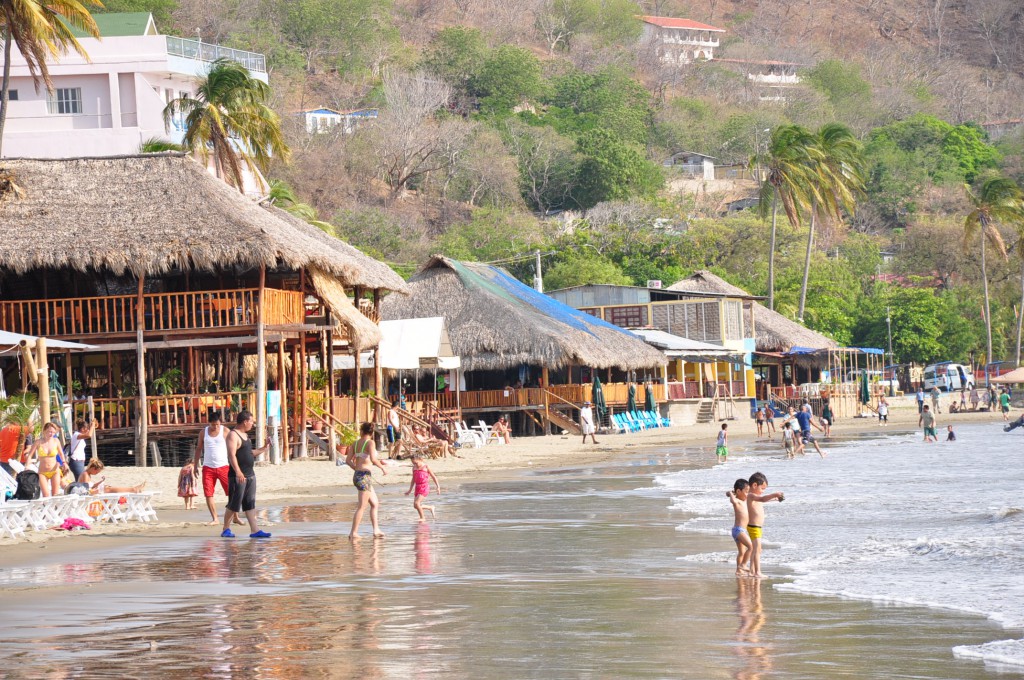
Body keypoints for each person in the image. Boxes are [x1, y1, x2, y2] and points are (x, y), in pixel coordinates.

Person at [220, 411, 271, 539]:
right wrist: (238, 471)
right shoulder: (233, 435)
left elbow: (250, 453)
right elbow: (231, 455)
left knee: (250, 503)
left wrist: (264, 448)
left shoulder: (245, 435)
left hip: (250, 475)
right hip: (238, 475)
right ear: (245, 422)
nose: (252, 424)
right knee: (234, 504)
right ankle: (225, 528)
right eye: (251, 422)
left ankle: (255, 530)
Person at [193, 412, 237, 526]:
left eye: (217, 424)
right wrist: (195, 465)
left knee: (231, 492)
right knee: (208, 494)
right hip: (208, 467)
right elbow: (198, 449)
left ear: (220, 422)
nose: (215, 427)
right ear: (209, 423)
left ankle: (236, 516)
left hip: (224, 466)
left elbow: (234, 446)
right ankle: (215, 518)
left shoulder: (225, 431)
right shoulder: (203, 432)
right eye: (213, 425)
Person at [346, 421, 388, 539]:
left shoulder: (355, 443)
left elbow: (348, 460)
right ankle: (353, 532)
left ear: (361, 431)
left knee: (375, 504)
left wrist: (356, 469)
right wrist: (382, 468)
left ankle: (376, 530)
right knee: (362, 506)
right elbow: (374, 459)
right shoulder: (370, 442)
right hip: (364, 477)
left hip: (359, 475)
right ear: (371, 432)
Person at [746, 472, 784, 578]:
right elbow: (762, 499)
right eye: (762, 488)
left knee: (757, 549)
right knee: (757, 549)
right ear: (754, 485)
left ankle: (751, 571)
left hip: (756, 527)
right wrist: (774, 494)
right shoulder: (751, 495)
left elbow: (763, 500)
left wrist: (775, 499)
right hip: (754, 527)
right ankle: (757, 572)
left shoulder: (755, 497)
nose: (762, 491)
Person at [26, 422, 65, 497]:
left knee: (55, 494)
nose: (51, 434)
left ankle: (54, 509)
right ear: (44, 431)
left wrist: (63, 462)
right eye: (49, 432)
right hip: (42, 472)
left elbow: (61, 454)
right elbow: (30, 455)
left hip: (54, 471)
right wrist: (27, 466)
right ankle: (46, 508)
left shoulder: (56, 441)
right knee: (46, 495)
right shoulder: (38, 442)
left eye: (53, 432)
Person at [726, 479, 753, 576]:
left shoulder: (745, 502)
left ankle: (738, 570)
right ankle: (743, 565)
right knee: (751, 547)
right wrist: (730, 493)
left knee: (742, 552)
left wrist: (774, 499)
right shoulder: (737, 501)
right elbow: (732, 500)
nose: (747, 494)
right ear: (738, 491)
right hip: (738, 530)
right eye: (746, 492)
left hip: (742, 531)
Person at [78, 458, 146, 494]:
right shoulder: (85, 474)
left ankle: (133, 489)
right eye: (97, 472)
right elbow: (85, 490)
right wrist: (97, 489)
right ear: (93, 468)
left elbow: (90, 486)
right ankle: (133, 489)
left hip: (90, 492)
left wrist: (100, 482)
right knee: (108, 489)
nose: (97, 473)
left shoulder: (88, 474)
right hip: (86, 495)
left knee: (107, 487)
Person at [404, 455, 440, 522]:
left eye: (416, 463)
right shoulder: (414, 468)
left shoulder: (426, 467)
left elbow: (434, 477)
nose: (415, 464)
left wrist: (438, 487)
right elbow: (413, 479)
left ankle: (422, 518)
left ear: (420, 459)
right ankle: (430, 507)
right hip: (417, 487)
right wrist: (409, 490)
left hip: (424, 486)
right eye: (413, 463)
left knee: (417, 503)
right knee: (415, 506)